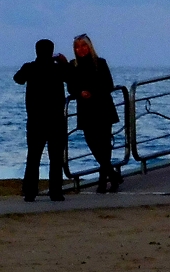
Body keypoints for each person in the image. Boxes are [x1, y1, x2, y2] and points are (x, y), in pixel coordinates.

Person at [13, 38, 69, 201]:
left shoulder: (30, 68)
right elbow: (70, 77)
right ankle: (56, 192)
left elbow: (18, 79)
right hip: (56, 118)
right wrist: (63, 62)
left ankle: (30, 191)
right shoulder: (58, 69)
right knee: (56, 157)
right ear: (52, 52)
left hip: (35, 119)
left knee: (33, 157)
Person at [66, 33, 123, 192]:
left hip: (103, 107)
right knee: (92, 143)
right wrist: (80, 93)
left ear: (89, 47)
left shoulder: (100, 63)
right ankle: (112, 175)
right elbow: (70, 86)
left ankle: (104, 181)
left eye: (83, 46)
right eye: (77, 47)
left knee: (104, 146)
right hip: (86, 109)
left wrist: (92, 92)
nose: (81, 49)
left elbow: (108, 84)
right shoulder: (73, 66)